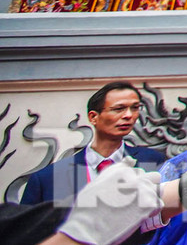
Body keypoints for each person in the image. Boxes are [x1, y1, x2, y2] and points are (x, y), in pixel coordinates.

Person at [20, 82, 167, 209]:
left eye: (135, 108)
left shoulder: (154, 163)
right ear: (93, 117)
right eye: (119, 109)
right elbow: (24, 234)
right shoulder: (49, 178)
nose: (129, 115)